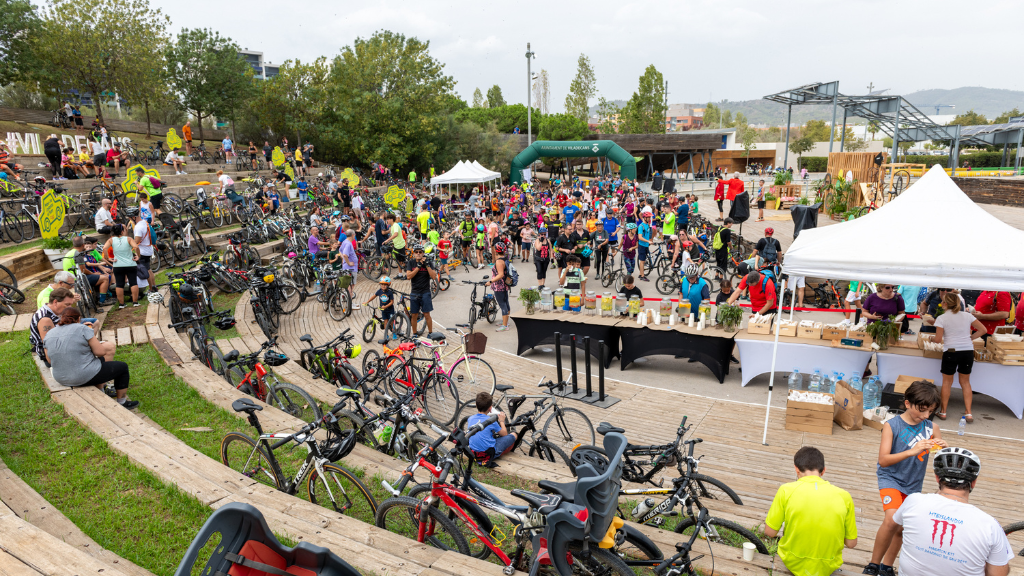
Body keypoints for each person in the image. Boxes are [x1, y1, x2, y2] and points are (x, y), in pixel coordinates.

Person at [885, 447, 1013, 576]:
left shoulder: (913, 501)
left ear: (937, 477)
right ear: (973, 482)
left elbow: (895, 530)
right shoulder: (990, 525)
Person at [864, 380, 946, 576]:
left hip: (913, 484)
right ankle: (874, 564)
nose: (926, 416)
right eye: (922, 410)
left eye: (930, 411)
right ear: (907, 403)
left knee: (901, 528)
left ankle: (886, 566)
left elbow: (941, 457)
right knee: (892, 521)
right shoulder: (892, 426)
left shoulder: (931, 427)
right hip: (890, 478)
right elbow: (883, 460)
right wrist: (912, 451)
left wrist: (943, 448)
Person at [764, 447, 857, 576]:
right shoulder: (844, 496)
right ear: (823, 471)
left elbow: (770, 532)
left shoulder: (786, 490)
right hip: (828, 565)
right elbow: (851, 543)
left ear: (797, 469)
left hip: (793, 561)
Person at [43, 307, 137, 408]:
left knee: (98, 362)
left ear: (61, 319)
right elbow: (100, 352)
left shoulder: (49, 333)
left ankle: (100, 390)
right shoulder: (83, 328)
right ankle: (122, 402)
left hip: (61, 378)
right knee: (122, 367)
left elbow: (49, 360)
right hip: (81, 377)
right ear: (79, 319)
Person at [933, 292, 987, 422]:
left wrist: (931, 338)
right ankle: (968, 413)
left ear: (945, 304)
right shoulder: (967, 315)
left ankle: (943, 411)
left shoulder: (942, 318)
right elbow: (983, 330)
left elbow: (938, 339)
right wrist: (971, 338)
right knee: (965, 382)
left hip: (951, 351)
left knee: (947, 382)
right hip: (967, 351)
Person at [30, 287, 78, 365]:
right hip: (53, 357)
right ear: (55, 302)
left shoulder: (54, 311)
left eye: (71, 304)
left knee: (93, 323)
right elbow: (51, 346)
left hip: (63, 345)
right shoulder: (45, 319)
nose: (70, 307)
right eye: (67, 304)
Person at [467, 392, 516, 464]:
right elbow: (504, 434)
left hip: (474, 452)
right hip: (487, 454)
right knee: (514, 435)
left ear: (476, 405)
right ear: (490, 408)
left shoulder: (470, 418)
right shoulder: (490, 421)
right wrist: (501, 421)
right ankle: (498, 454)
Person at [102, 224, 140, 308]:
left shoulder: (111, 240)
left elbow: (104, 248)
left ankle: (121, 304)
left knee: (119, 284)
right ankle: (135, 302)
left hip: (118, 265)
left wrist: (108, 258)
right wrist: (138, 256)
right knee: (133, 282)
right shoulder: (129, 239)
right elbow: (136, 247)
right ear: (122, 231)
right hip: (130, 264)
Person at [405, 244, 437, 335]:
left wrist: (426, 265)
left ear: (423, 253)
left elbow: (434, 276)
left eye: (420, 252)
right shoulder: (411, 263)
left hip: (425, 292)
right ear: (414, 253)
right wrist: (418, 266)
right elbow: (408, 276)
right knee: (414, 315)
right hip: (415, 292)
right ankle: (414, 334)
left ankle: (431, 333)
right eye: (416, 252)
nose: (418, 254)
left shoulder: (428, 262)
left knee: (427, 314)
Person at [130, 207, 156, 295]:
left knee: (147, 271)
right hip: (148, 249)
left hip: (142, 252)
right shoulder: (144, 222)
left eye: (130, 218)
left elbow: (137, 240)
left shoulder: (138, 227)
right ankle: (154, 287)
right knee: (149, 270)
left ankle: (151, 289)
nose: (130, 220)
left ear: (133, 217)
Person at [490, 241, 512, 331]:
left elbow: (500, 275)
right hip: (505, 284)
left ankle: (504, 325)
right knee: (506, 302)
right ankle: (505, 321)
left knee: (502, 304)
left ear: (495, 250)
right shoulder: (505, 258)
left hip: (499, 286)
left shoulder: (499, 262)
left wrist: (490, 281)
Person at [636, 209, 653, 282]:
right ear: (645, 218)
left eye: (650, 217)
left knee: (643, 260)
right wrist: (648, 241)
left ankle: (641, 274)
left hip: (646, 245)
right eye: (648, 217)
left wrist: (649, 241)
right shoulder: (641, 226)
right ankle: (642, 275)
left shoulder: (647, 225)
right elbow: (640, 237)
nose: (650, 219)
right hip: (642, 245)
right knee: (642, 261)